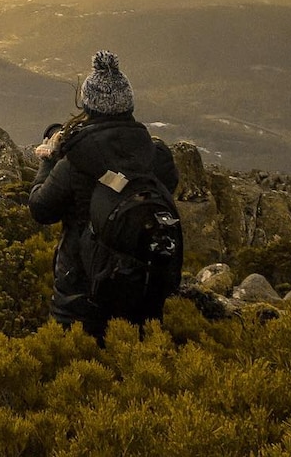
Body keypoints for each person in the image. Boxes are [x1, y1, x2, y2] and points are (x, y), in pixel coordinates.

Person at [28, 50, 179, 344]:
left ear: (88, 106)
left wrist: (47, 159)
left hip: (80, 300)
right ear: (129, 105)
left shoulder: (75, 162)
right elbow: (166, 186)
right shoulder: (156, 156)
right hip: (142, 293)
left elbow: (40, 209)